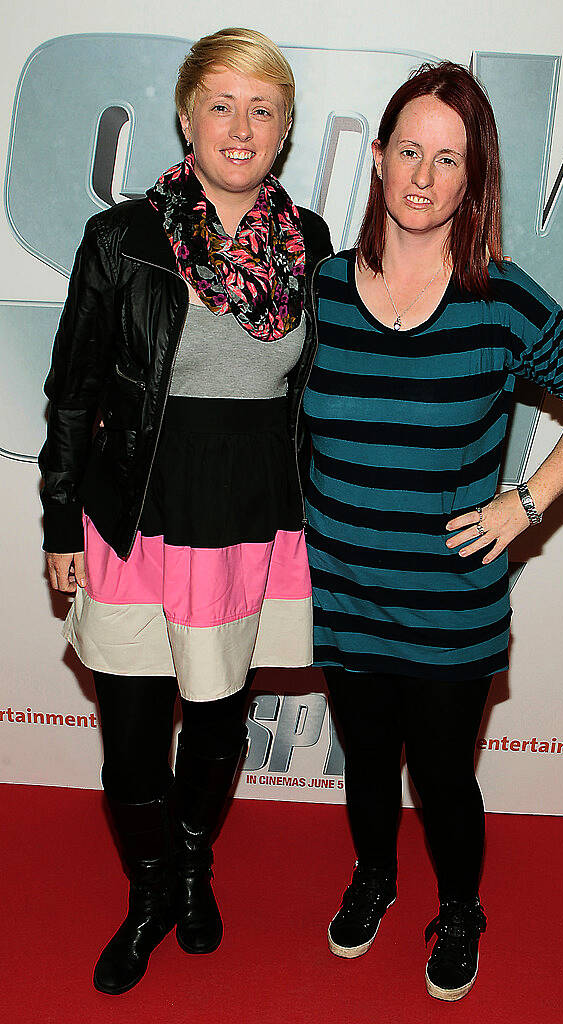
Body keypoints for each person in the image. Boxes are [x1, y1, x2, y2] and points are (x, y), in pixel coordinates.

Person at [303, 62, 563, 1002]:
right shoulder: (319, 292)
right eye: (409, 150)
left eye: (449, 159)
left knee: (443, 778)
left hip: (450, 602)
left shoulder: (503, 298)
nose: (422, 175)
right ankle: (375, 879)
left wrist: (524, 505)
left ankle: (459, 908)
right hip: (347, 590)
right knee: (366, 762)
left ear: (472, 178)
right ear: (377, 156)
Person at [39, 27, 331, 995]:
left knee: (215, 723)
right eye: (222, 104)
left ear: (285, 128)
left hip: (248, 522)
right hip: (135, 519)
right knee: (130, 738)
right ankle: (152, 891)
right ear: (185, 115)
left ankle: (195, 863)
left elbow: (318, 396)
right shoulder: (122, 239)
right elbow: (74, 393)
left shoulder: (311, 244)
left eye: (263, 108)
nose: (240, 127)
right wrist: (56, 525)